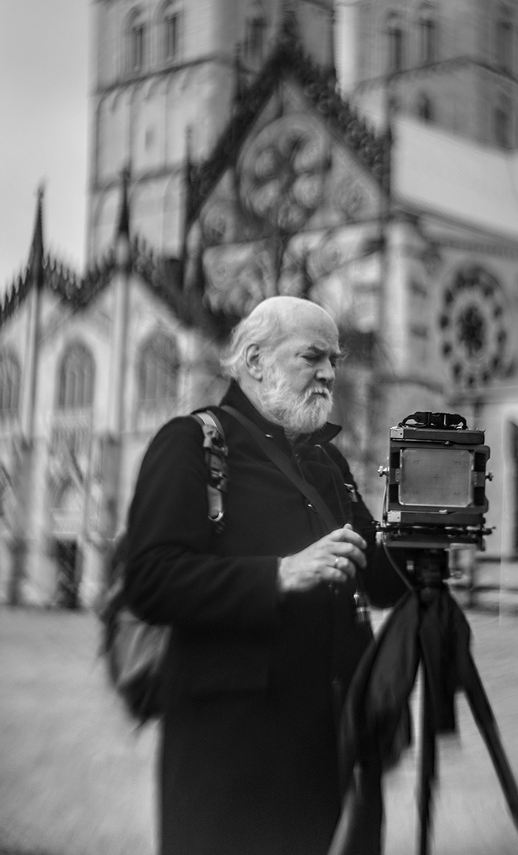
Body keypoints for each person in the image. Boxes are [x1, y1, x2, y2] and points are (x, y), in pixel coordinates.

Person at [123, 296, 404, 855]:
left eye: (335, 358)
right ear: (255, 360)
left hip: (330, 754)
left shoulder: (328, 465)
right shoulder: (189, 445)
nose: (329, 372)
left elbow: (380, 582)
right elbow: (150, 580)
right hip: (230, 765)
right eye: (313, 356)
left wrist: (425, 536)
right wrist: (278, 574)